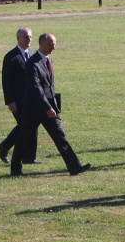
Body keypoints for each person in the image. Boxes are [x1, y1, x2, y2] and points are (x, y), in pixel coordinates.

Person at [9, 33, 91, 177]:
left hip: (49, 109)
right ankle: (15, 169)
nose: (53, 47)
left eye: (54, 44)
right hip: (34, 109)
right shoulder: (32, 63)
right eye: (50, 44)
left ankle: (74, 167)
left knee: (60, 137)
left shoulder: (48, 60)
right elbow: (36, 88)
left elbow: (49, 87)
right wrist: (47, 108)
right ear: (41, 44)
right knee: (23, 138)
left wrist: (53, 106)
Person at [0, 27, 39, 164]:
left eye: (30, 37)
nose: (29, 40)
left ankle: (28, 157)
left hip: (31, 99)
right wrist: (10, 101)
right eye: (26, 37)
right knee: (25, 125)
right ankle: (5, 146)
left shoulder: (33, 55)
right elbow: (6, 81)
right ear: (18, 39)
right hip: (18, 100)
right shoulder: (11, 57)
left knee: (31, 126)